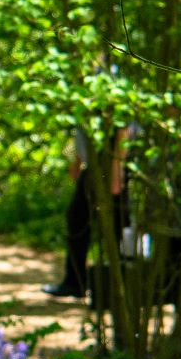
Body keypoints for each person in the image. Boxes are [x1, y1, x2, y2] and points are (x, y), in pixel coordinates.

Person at [43, 124, 130, 298]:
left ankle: (118, 287)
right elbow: (85, 132)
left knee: (117, 226)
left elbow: (123, 131)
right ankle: (76, 282)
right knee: (77, 220)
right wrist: (79, 161)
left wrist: (116, 169)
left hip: (108, 168)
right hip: (94, 167)